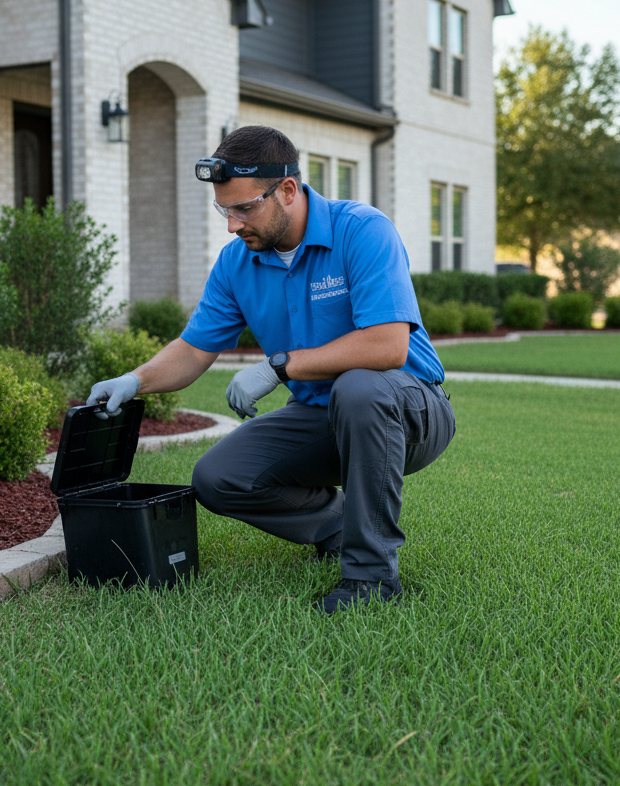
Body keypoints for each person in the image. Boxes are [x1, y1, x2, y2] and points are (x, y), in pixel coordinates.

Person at [87, 125, 455, 613]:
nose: (233, 225)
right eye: (224, 210)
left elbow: (388, 346)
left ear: (287, 189)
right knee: (219, 477)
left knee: (361, 389)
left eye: (244, 208)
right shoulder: (236, 263)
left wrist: (280, 366)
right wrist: (135, 381)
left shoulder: (361, 230)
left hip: (409, 410)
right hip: (323, 415)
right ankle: (338, 524)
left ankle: (371, 579)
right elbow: (194, 349)